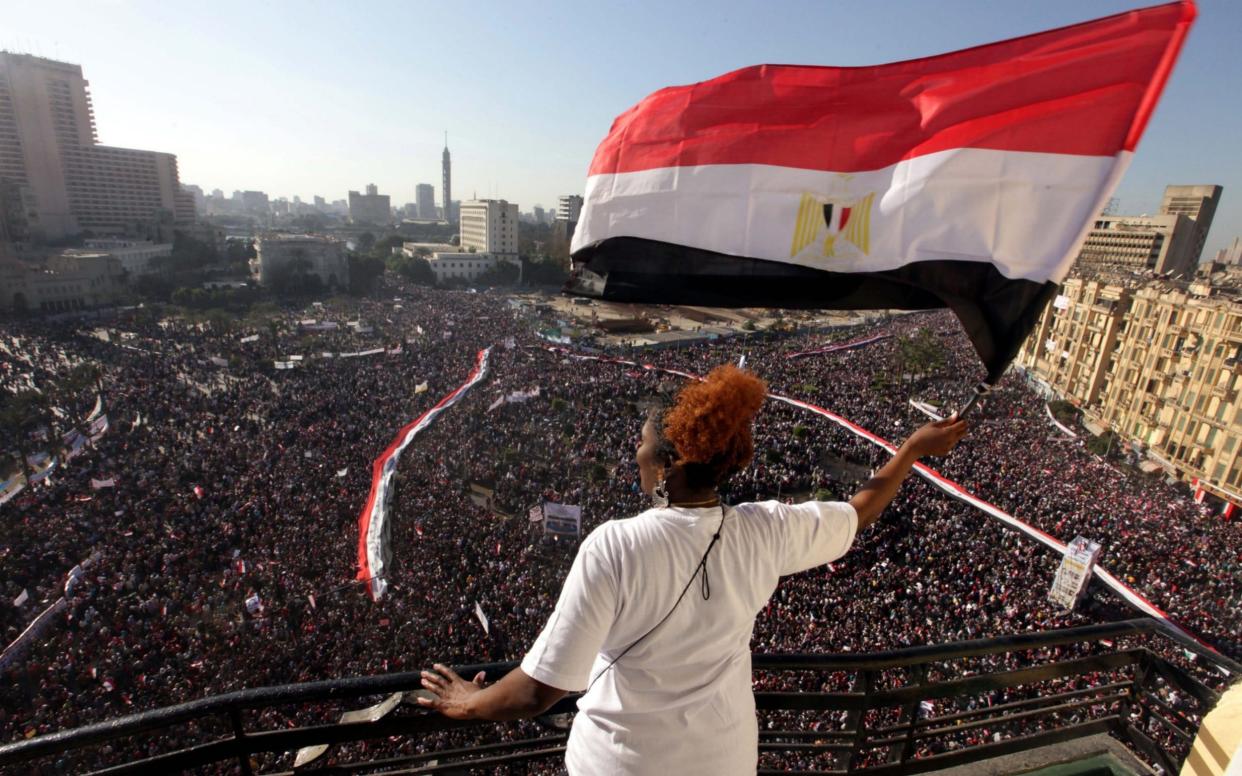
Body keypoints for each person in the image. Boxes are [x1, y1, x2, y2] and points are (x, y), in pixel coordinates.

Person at [421, 363, 969, 775]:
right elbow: (859, 512)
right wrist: (913, 450)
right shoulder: (766, 530)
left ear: (667, 464)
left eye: (641, 444)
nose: (633, 453)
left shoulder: (614, 546)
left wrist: (468, 704)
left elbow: (538, 693)